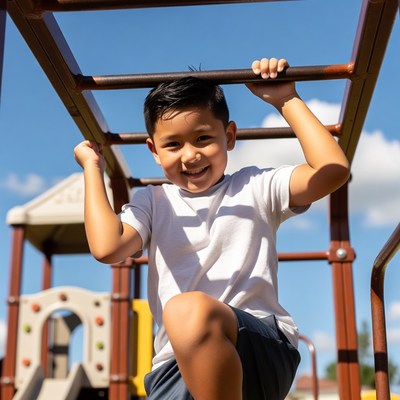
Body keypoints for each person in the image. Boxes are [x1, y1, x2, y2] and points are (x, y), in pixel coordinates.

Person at [74, 57, 350, 400]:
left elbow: (332, 170)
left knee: (187, 310)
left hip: (256, 346)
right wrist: (91, 168)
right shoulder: (153, 201)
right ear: (154, 152)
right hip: (175, 365)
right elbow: (107, 247)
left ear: (229, 135)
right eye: (173, 145)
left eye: (203, 138)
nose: (190, 156)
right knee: (186, 314)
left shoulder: (255, 186)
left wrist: (285, 100)